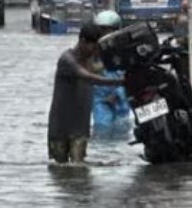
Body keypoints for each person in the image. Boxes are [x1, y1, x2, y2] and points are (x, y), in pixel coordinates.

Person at [47, 24, 123, 164]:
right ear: (82, 41)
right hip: (61, 127)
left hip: (80, 127)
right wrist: (120, 81)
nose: (95, 51)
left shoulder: (90, 60)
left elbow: (100, 69)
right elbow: (89, 77)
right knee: (60, 170)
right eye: (93, 47)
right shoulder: (67, 60)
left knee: (79, 169)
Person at [91, 11, 131, 138]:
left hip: (121, 98)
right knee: (102, 127)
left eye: (107, 30)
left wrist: (117, 93)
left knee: (122, 129)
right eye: (101, 30)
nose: (104, 34)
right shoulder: (92, 49)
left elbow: (130, 74)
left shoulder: (125, 50)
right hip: (100, 98)